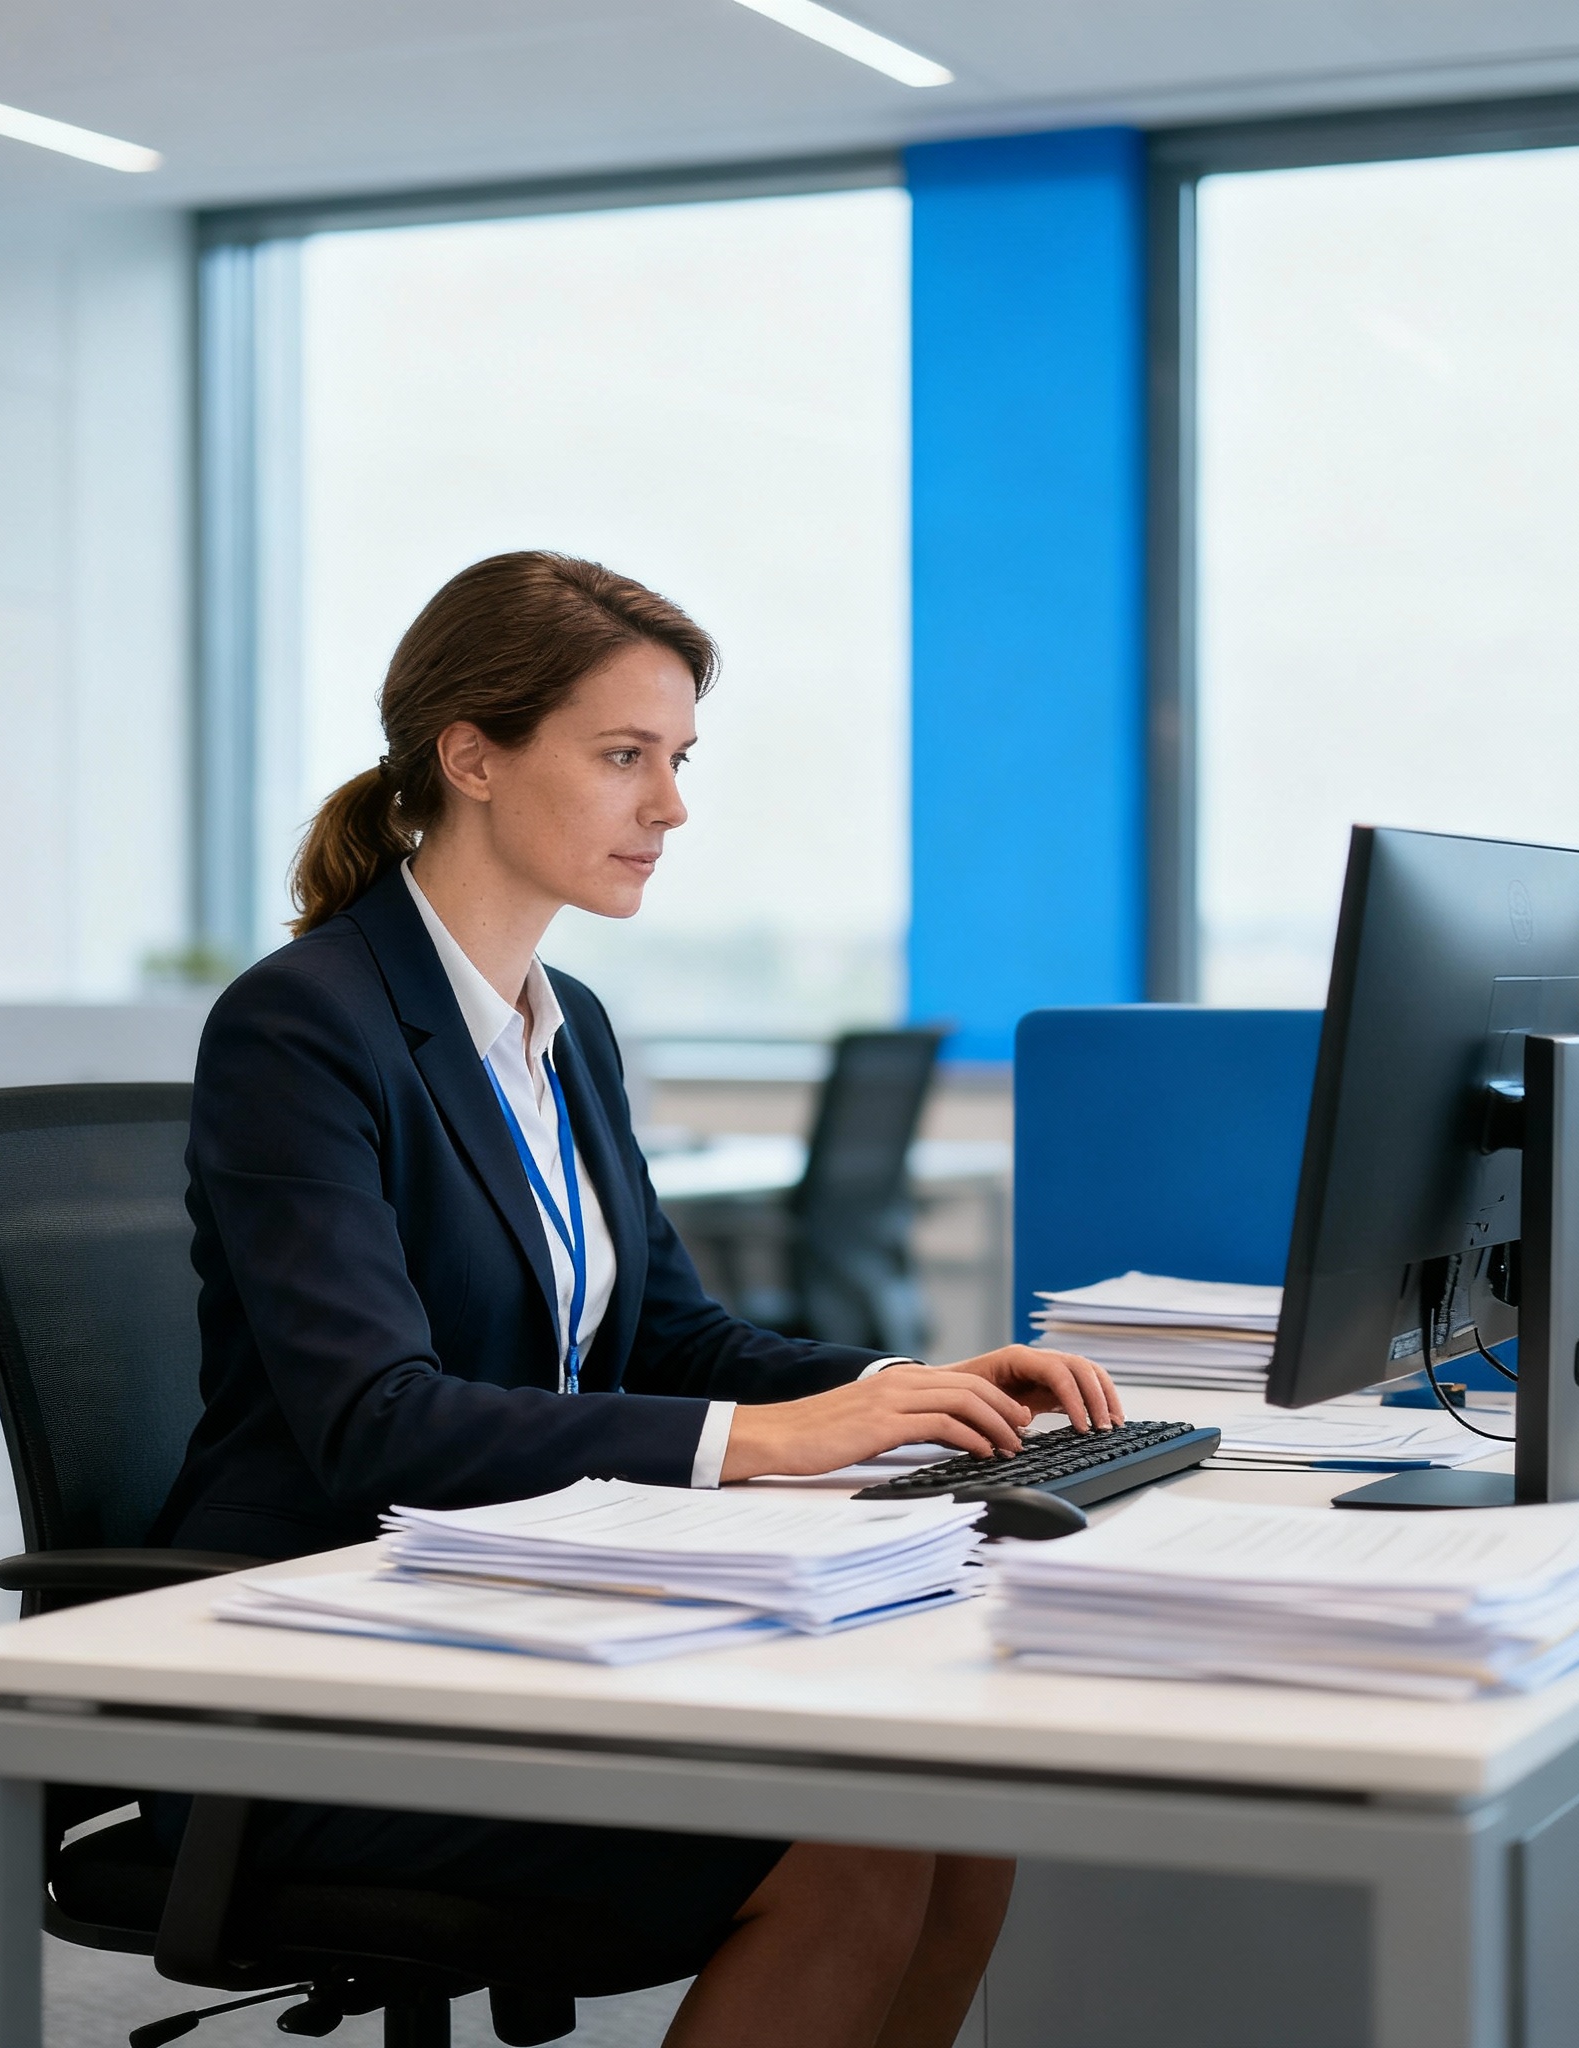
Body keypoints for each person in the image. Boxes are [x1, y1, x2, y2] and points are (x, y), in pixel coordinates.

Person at [153, 550, 1123, 2048]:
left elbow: (671, 1331)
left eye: (675, 760)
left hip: (525, 1612)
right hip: (320, 1668)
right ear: (471, 757)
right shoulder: (307, 1026)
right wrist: (767, 1441)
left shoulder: (568, 1026)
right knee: (857, 1839)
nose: (669, 805)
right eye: (624, 758)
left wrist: (913, 1388)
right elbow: (376, 1424)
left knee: (962, 1801)